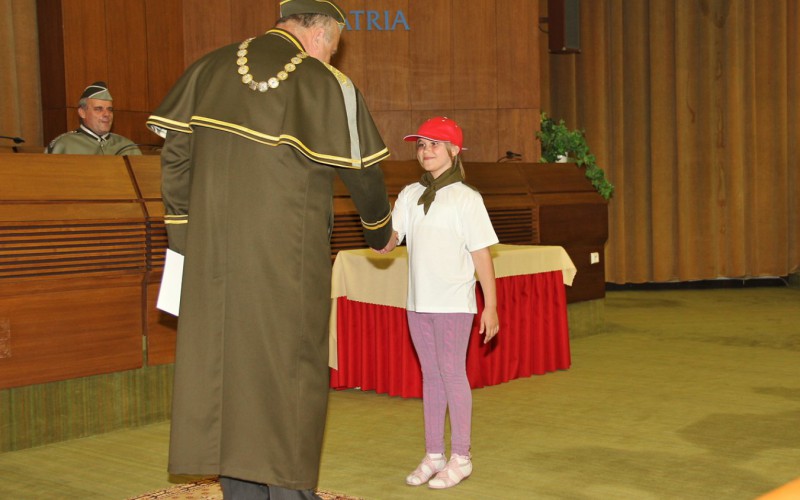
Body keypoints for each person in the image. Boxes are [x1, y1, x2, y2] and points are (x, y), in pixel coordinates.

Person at [145, 0, 394, 498]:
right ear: (321, 36)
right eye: (334, 49)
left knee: (227, 370)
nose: (332, 58)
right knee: (288, 372)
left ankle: (241, 492)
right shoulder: (327, 83)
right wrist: (378, 230)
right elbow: (363, 172)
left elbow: (174, 159)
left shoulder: (209, 67)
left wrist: (187, 241)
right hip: (287, 256)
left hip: (211, 255)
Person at [380, 117, 500, 489]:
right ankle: (434, 454)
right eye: (421, 145)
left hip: (453, 302)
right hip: (418, 302)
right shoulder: (409, 194)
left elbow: (481, 255)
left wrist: (491, 306)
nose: (426, 150)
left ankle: (461, 457)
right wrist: (377, 230)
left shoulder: (467, 198)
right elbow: (391, 240)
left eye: (434, 144)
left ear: (453, 150)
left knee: (451, 373)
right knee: (431, 376)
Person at [45, 81, 141, 155]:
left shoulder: (127, 147)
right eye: (98, 109)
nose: (106, 114)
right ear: (82, 112)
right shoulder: (64, 145)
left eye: (110, 109)